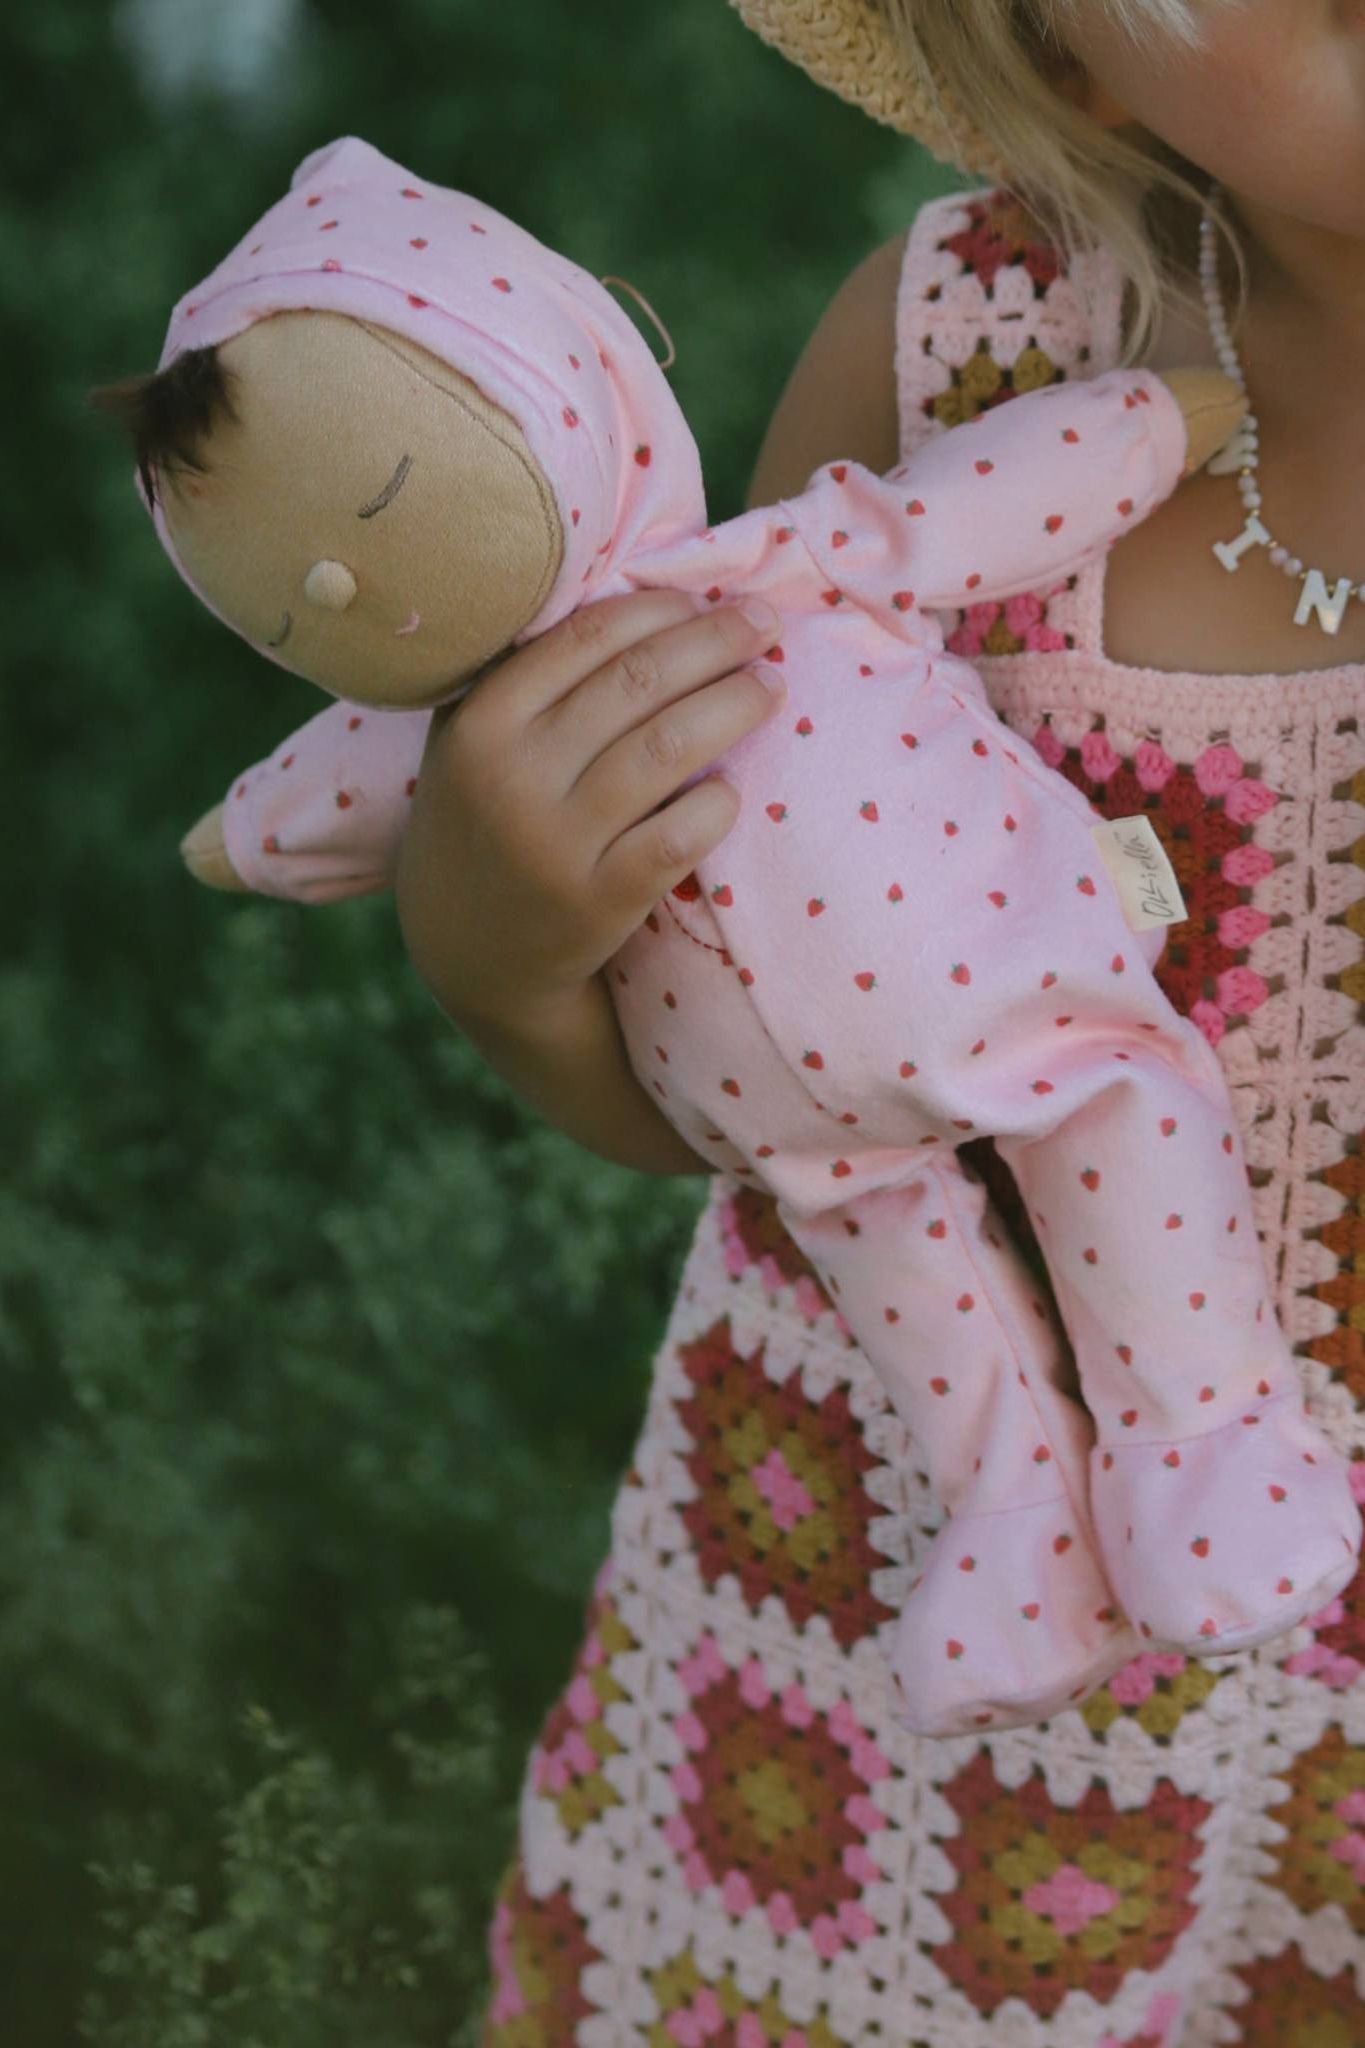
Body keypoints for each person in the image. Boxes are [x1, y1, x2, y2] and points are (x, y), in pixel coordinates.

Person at [393, 3, 1365, 2039]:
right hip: (944, 1602)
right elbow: (769, 1094)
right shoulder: (959, 366)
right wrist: (507, 956)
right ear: (1061, 49)